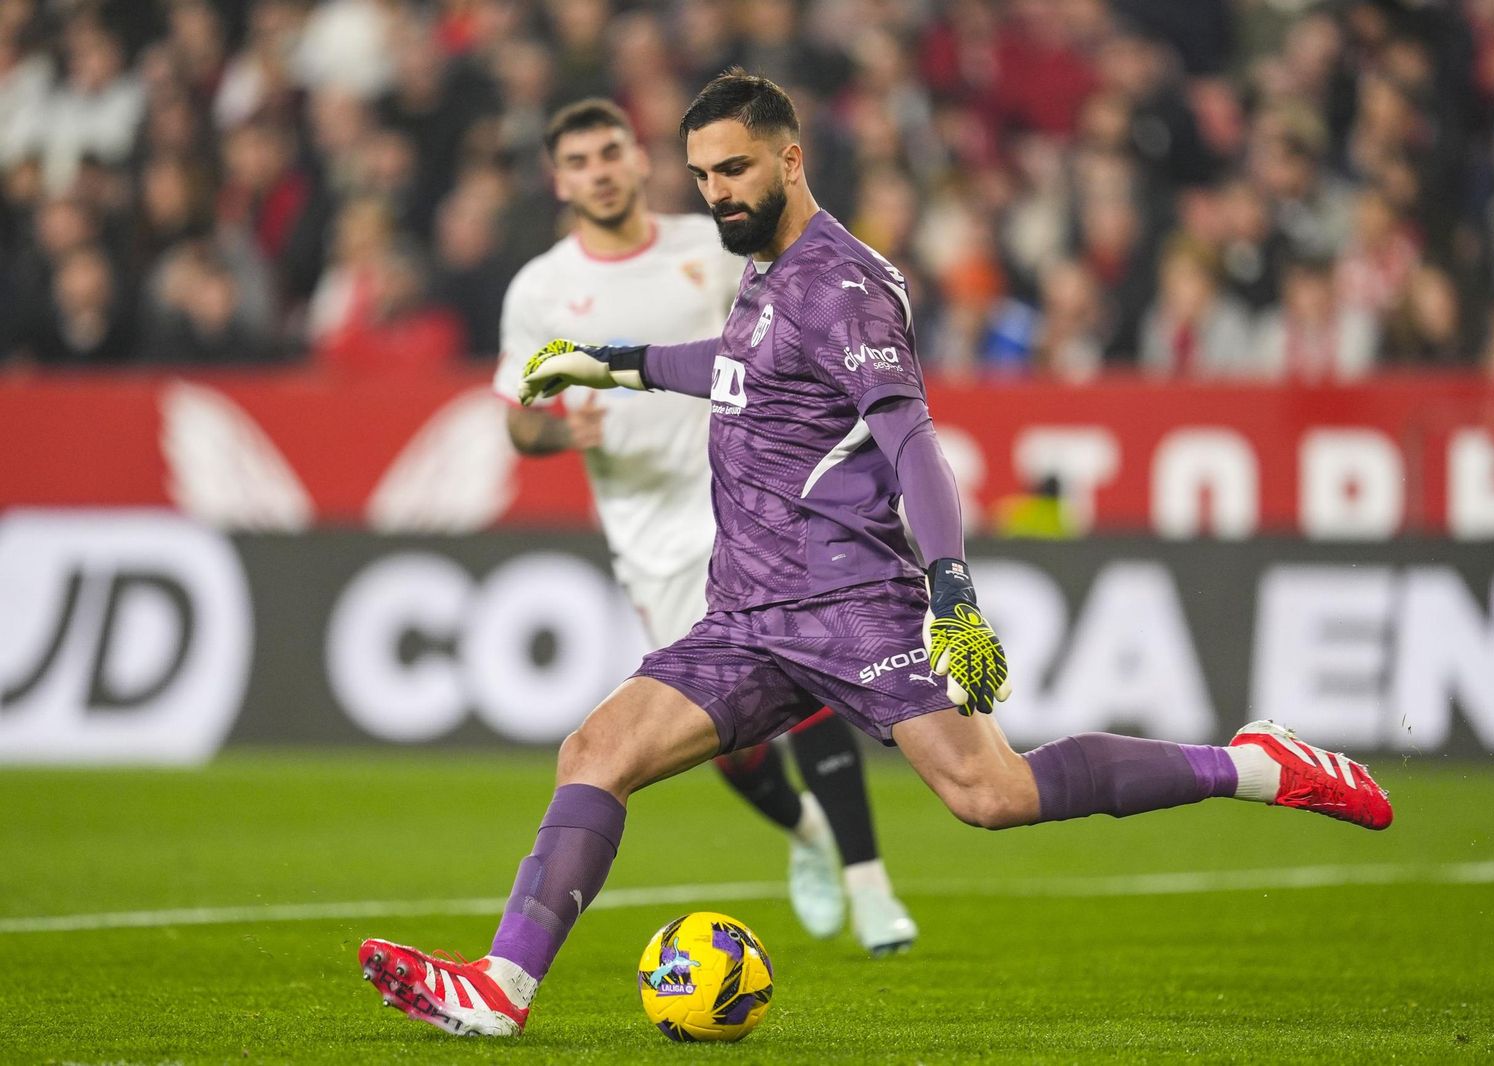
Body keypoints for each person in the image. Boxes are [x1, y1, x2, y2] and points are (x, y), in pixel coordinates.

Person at [358, 70, 1393, 1039]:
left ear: (790, 158)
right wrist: (617, 364)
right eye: (704, 175)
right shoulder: (762, 275)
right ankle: (501, 990)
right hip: (746, 615)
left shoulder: (844, 286)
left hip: (855, 603)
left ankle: (1256, 765)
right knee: (595, 753)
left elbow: (909, 442)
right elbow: (736, 369)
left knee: (993, 794)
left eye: (736, 170)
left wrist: (949, 590)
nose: (718, 192)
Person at [488, 98, 917, 956]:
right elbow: (518, 416)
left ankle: (870, 882)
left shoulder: (711, 245)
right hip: (653, 537)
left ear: (637, 159)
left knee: (813, 673)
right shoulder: (539, 288)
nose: (600, 171)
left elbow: (781, 341)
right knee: (723, 739)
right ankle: (806, 834)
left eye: (611, 151)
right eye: (579, 162)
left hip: (762, 504)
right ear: (558, 179)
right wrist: (555, 426)